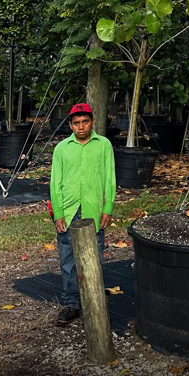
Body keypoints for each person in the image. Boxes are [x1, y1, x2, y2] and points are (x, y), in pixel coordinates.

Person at [50, 102, 115, 327]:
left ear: (92, 122)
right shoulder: (61, 149)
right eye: (76, 123)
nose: (81, 127)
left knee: (93, 258)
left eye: (85, 122)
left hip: (93, 210)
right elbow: (55, 183)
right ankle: (70, 304)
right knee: (68, 259)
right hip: (68, 211)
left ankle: (92, 302)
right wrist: (58, 213)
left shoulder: (103, 145)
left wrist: (107, 208)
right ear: (70, 125)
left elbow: (109, 179)